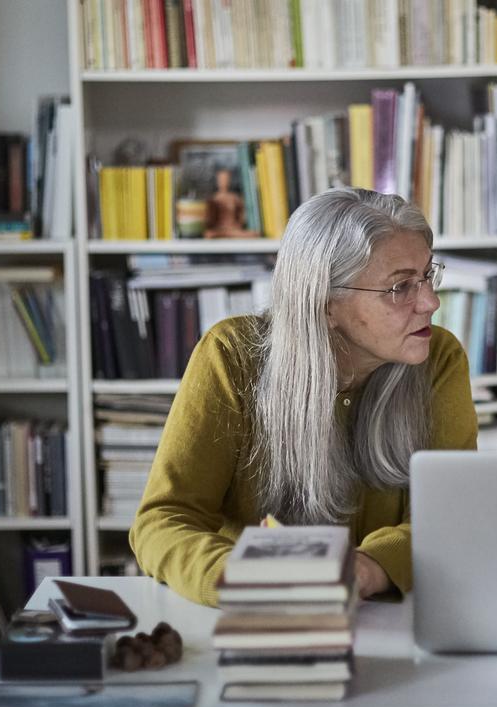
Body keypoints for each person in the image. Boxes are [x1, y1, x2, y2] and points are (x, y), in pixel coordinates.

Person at [131, 187, 478, 607]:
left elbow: (452, 514)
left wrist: (368, 568)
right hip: (253, 622)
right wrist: (249, 579)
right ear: (326, 303)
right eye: (400, 287)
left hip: (393, 623)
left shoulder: (438, 357)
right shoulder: (231, 355)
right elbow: (163, 521)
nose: (431, 302)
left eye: (427, 276)